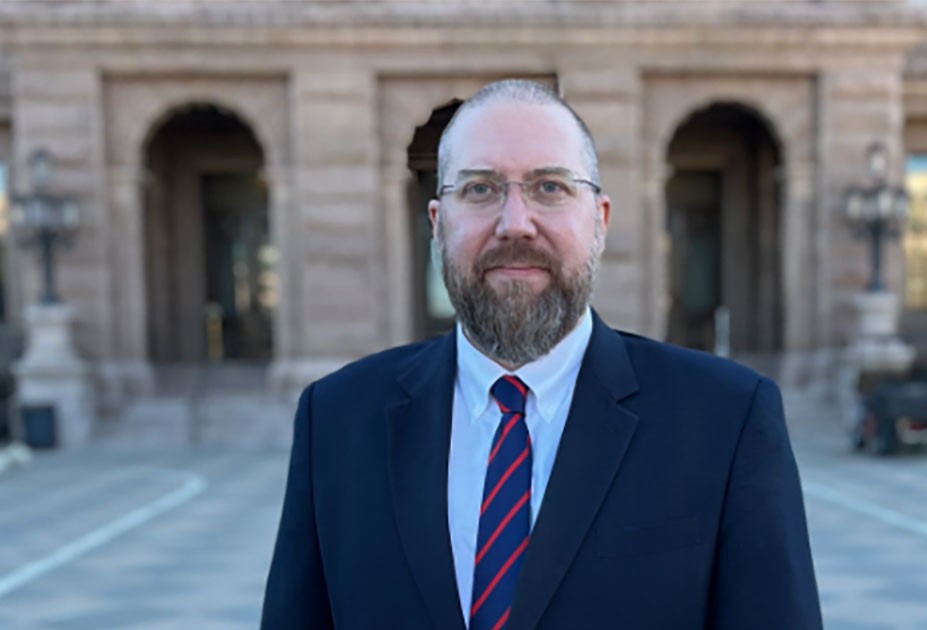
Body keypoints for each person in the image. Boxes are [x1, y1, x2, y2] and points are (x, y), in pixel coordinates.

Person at [262, 79, 822, 630]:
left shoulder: (726, 419)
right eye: (480, 189)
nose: (515, 224)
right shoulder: (336, 419)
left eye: (549, 187)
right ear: (437, 224)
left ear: (599, 220)